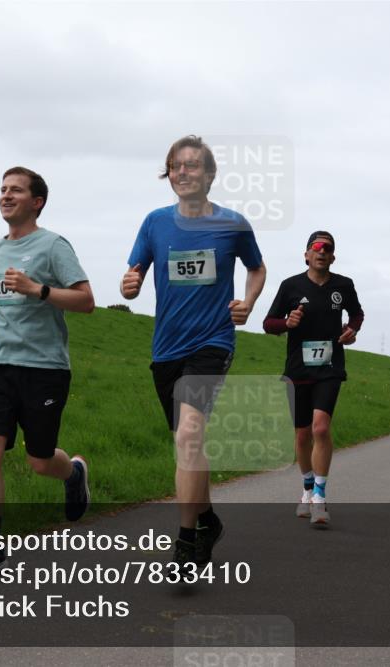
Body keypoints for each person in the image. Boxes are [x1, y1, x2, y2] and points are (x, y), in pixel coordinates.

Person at [121, 135, 266, 568]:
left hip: (212, 342)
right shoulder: (154, 222)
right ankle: (207, 519)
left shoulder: (232, 224)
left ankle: (185, 543)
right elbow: (133, 272)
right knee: (187, 445)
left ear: (210, 174)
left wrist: (249, 302)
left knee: (188, 435)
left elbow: (257, 268)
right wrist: (128, 284)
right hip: (166, 347)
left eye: (192, 166)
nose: (183, 173)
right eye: (176, 166)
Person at [0, 166, 95, 569]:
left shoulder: (54, 246)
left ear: (36, 202)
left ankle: (73, 474)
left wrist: (37, 289)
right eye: (2, 189)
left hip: (44, 368)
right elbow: (8, 304)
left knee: (40, 461)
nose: (5, 195)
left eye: (16, 190)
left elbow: (86, 300)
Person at [263, 232, 363, 526]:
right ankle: (307, 486)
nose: (321, 251)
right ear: (306, 255)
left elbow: (357, 314)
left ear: (333, 256)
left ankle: (319, 497)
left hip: (330, 366)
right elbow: (268, 323)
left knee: (321, 428)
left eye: (327, 248)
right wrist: (286, 322)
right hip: (298, 369)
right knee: (302, 434)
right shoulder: (290, 286)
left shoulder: (343, 285)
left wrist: (351, 330)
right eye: (316, 247)